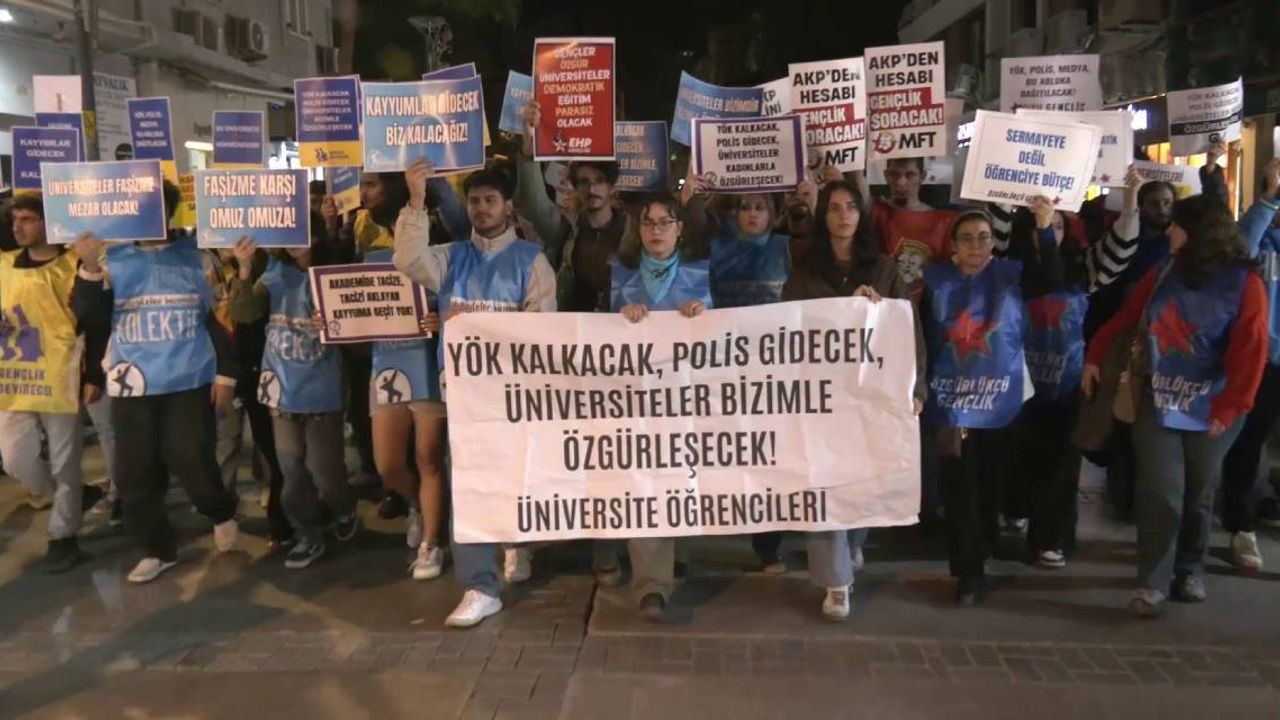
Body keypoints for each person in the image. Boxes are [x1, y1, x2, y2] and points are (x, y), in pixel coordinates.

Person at [1084, 193, 1267, 617]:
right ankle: (1152, 582)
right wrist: (1096, 354)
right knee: (1161, 490)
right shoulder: (1165, 269)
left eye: (1177, 224)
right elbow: (1129, 316)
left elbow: (1251, 348)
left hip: (1214, 404)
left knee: (1199, 491)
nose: (1169, 230)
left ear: (1199, 232)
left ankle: (1189, 568)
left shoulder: (1245, 283)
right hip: (1157, 397)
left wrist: (1229, 407)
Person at [393, 161, 556, 628]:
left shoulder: (531, 261)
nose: (482, 209)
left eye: (490, 200)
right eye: (475, 201)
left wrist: (475, 324)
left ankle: (516, 541)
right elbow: (408, 261)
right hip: (463, 394)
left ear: (508, 206)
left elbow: (542, 331)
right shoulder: (450, 257)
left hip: (511, 395)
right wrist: (417, 200)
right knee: (467, 486)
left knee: (512, 477)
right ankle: (479, 587)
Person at [76, 181, 242, 584]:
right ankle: (157, 549)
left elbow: (221, 319)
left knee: (193, 462)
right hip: (131, 383)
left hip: (188, 378)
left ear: (168, 211)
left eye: (156, 208)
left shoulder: (200, 258)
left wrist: (226, 374)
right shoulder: (111, 260)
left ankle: (219, 509)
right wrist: (89, 268)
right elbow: (90, 317)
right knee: (134, 475)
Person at [785, 180, 926, 619]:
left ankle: (854, 541)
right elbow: (786, 327)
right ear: (823, 216)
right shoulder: (804, 269)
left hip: (868, 398)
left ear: (861, 216)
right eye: (834, 207)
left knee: (862, 483)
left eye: (851, 207)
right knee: (822, 485)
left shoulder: (883, 269)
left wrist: (916, 388)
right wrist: (847, 306)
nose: (843, 215)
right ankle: (837, 582)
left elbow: (907, 329)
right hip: (817, 398)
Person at [516, 101, 631, 586]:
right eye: (582, 182)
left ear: (612, 187)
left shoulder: (634, 231)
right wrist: (528, 142)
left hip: (626, 359)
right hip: (574, 358)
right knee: (582, 452)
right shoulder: (566, 230)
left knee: (617, 455)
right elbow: (531, 200)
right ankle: (584, 541)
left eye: (598, 181)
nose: (591, 189)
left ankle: (613, 551)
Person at [1085, 144, 1230, 520]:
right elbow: (1126, 310)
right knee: (1128, 432)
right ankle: (1128, 497)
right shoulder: (1152, 255)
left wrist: (1212, 171)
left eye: (1168, 204)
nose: (1163, 212)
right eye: (1155, 204)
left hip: (1189, 375)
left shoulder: (1224, 273)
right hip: (1139, 359)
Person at [228, 223, 358, 569]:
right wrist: (244, 269)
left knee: (325, 474)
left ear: (316, 236)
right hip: (282, 389)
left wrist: (335, 324)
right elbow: (243, 313)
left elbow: (358, 328)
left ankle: (343, 507)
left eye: (304, 233)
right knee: (291, 473)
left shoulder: (334, 275)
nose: (296, 242)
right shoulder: (273, 273)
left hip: (322, 390)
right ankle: (307, 535)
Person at [609, 194, 711, 622]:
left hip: (686, 401)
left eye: (665, 222)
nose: (656, 230)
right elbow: (604, 336)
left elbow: (716, 336)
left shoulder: (699, 272)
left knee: (680, 480)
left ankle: (677, 555)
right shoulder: (621, 273)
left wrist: (702, 315)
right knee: (643, 484)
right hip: (636, 400)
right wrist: (621, 316)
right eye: (648, 222)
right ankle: (652, 586)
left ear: (679, 229)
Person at [922, 209, 1029, 605]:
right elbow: (920, 335)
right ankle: (968, 571)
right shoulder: (934, 282)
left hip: (1001, 402)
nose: (976, 245)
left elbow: (1052, 277)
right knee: (959, 487)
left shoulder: (1012, 276)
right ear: (953, 244)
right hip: (951, 405)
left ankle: (980, 553)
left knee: (990, 486)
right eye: (967, 237)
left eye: (984, 236)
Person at [0, 193, 107, 572]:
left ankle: (64, 536)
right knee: (15, 457)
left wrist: (93, 375)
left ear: (49, 224)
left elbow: (95, 321)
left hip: (61, 374)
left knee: (66, 462)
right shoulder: (5, 265)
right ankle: (75, 497)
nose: (18, 227)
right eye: (15, 219)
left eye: (28, 219)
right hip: (15, 377)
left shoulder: (72, 265)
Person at [354, 169, 449, 580]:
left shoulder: (441, 244)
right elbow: (357, 303)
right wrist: (337, 320)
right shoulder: (370, 247)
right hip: (387, 363)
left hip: (426, 363)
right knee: (388, 464)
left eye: (371, 184)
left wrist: (441, 318)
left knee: (428, 457)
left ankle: (432, 542)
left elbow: (455, 293)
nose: (364, 193)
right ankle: (419, 506)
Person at [1003, 196, 1091, 568]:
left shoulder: (1082, 270)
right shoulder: (1010, 268)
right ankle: (1016, 507)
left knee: (1059, 462)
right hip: (1015, 378)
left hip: (1064, 383)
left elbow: (1055, 277)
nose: (1049, 230)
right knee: (1019, 453)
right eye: (1041, 225)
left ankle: (1050, 539)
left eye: (1056, 225)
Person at [1221, 157, 1280, 572]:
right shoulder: (1259, 245)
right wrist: (1269, 198)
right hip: (1265, 361)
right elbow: (1240, 249)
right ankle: (1241, 527)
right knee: (1247, 444)